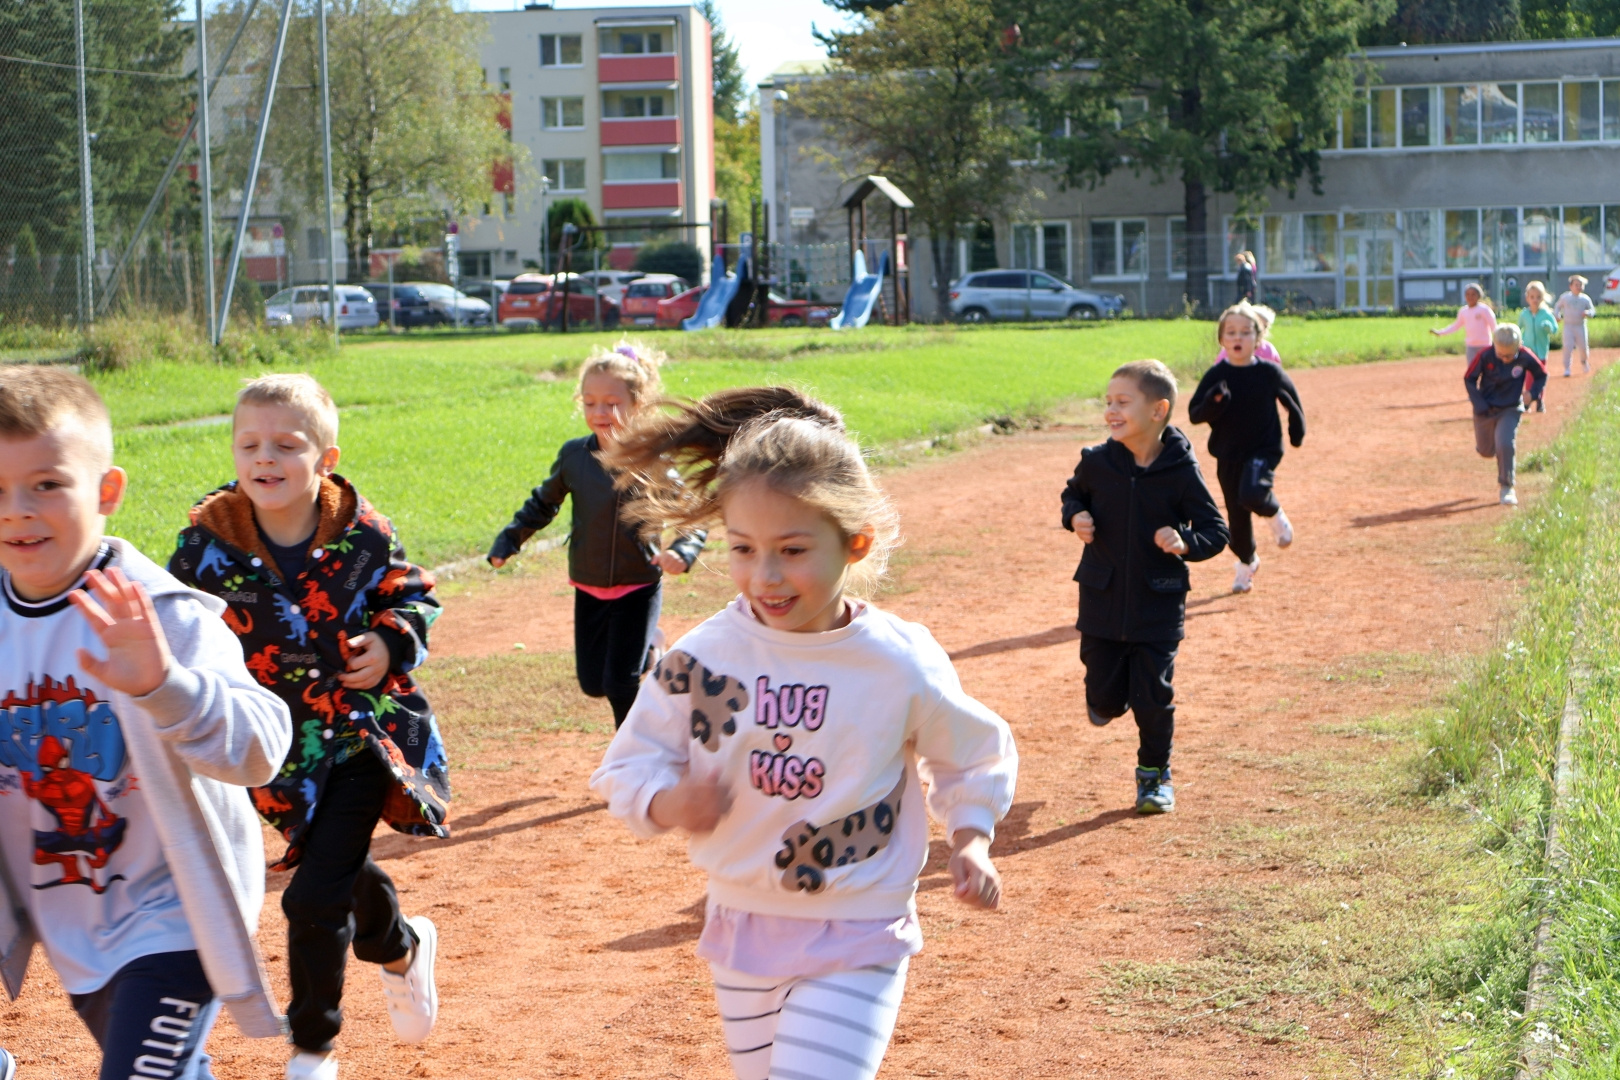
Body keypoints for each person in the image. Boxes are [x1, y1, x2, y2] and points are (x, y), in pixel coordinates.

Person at [590, 386, 1017, 1080]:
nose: (765, 576)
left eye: (791, 549)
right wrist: (669, 803)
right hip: (742, 927)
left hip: (861, 926)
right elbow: (628, 766)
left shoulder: (897, 661)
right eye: (743, 548)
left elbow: (970, 754)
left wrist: (971, 837)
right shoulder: (705, 658)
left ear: (855, 542)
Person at [0, 366, 292, 1080]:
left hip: (171, 919)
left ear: (107, 491)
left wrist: (167, 687)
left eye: (47, 484)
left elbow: (263, 747)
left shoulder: (159, 614)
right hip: (65, 912)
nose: (17, 512)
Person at [168, 374, 449, 1080]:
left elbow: (413, 596)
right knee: (338, 872)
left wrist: (390, 641)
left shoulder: (364, 535)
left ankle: (312, 1049)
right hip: (267, 753)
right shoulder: (204, 549)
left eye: (287, 445)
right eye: (249, 444)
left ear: (326, 458)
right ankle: (400, 944)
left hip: (358, 738)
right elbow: (172, 623)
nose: (265, 457)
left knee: (312, 897)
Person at [488, 340, 706, 727]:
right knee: (592, 684)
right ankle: (650, 649)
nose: (600, 412)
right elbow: (543, 502)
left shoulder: (654, 459)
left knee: (619, 684)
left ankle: (631, 752)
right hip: (588, 582)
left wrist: (682, 551)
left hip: (638, 582)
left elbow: (692, 513)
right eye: (590, 403)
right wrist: (510, 539)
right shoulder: (574, 456)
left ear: (638, 403)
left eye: (611, 403)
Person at [1061, 361, 1229, 814]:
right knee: (1104, 695)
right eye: (1108, 402)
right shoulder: (1096, 461)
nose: (1110, 411)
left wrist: (1185, 541)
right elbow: (1073, 494)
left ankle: (1154, 776)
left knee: (1153, 696)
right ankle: (1104, 700)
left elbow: (1216, 531)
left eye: (1123, 402)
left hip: (1158, 603)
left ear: (1158, 410)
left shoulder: (1180, 471)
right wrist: (1075, 516)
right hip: (1101, 599)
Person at [1188, 302, 1307, 595]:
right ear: (1222, 339)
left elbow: (1292, 402)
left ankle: (1274, 513)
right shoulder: (1217, 375)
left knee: (1252, 492)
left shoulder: (1268, 372)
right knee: (1236, 519)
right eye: (1231, 332)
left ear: (1258, 338)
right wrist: (1214, 403)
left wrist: (1296, 433)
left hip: (1263, 448)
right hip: (1228, 453)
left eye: (1245, 332)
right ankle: (1247, 561)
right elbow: (1195, 414)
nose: (1238, 338)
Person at [1466, 324, 1547, 507]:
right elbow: (1469, 378)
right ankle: (1498, 449)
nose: (1504, 359)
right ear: (1494, 346)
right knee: (1486, 451)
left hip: (1510, 408)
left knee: (1505, 444)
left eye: (1509, 356)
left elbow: (1541, 374)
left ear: (1519, 347)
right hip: (1485, 409)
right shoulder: (1485, 355)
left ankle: (1507, 487)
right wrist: (1479, 404)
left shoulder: (1525, 356)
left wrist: (1532, 393)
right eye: (1500, 355)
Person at [1431, 283, 1497, 368]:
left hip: (1485, 345)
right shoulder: (1463, 311)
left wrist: (1499, 340)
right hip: (1471, 346)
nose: (1470, 297)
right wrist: (1440, 332)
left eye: (1473, 294)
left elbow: (1494, 327)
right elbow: (1455, 326)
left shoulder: (1484, 310)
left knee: (1487, 369)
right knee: (1472, 369)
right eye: (1468, 294)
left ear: (1479, 296)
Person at [1517, 281, 1557, 411]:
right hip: (1528, 352)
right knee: (1528, 376)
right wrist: (1518, 341)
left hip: (1541, 351)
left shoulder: (1546, 313)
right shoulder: (1524, 314)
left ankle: (1540, 400)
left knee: (1540, 377)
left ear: (1543, 298)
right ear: (1527, 298)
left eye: (1538, 297)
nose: (1535, 300)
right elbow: (1518, 329)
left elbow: (1555, 328)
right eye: (1532, 297)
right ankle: (1527, 401)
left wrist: (1549, 327)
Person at [1555, 274, 1596, 377]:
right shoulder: (1565, 297)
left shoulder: (1585, 299)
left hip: (1580, 326)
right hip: (1568, 326)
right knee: (1567, 347)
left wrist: (1588, 313)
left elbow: (1592, 310)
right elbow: (1557, 307)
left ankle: (1584, 362)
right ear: (1571, 286)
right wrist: (1557, 315)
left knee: (1583, 347)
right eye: (1576, 285)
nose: (1578, 287)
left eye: (1580, 285)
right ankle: (1567, 368)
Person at [1215, 303, 1282, 365]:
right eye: (1231, 332)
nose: (1238, 337)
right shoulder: (1229, 351)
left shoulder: (1268, 350)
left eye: (1265, 326)